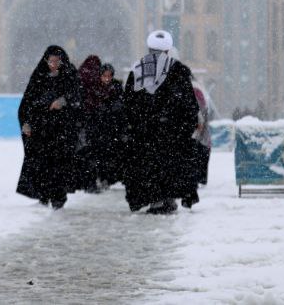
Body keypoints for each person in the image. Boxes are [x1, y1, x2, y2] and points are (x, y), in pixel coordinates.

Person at [122, 30, 200, 214]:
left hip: (146, 132)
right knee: (169, 166)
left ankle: (155, 199)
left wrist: (136, 124)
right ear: (168, 50)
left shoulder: (138, 70)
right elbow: (188, 103)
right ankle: (168, 198)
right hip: (171, 132)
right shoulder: (178, 70)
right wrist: (184, 125)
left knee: (148, 166)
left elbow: (129, 103)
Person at [15, 44, 82, 209]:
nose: (53, 65)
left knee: (59, 165)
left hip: (62, 131)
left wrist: (64, 101)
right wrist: (26, 122)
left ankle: (58, 198)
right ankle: (43, 196)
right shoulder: (39, 75)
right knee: (41, 164)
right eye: (50, 61)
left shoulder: (69, 74)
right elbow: (28, 101)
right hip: (41, 129)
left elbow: (78, 96)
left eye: (57, 61)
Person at [76, 55, 125, 191]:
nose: (107, 79)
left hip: (111, 129)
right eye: (104, 76)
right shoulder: (93, 88)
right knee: (94, 156)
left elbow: (121, 105)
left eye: (109, 76)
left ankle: (105, 179)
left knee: (108, 156)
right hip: (96, 129)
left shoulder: (116, 87)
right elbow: (88, 106)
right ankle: (93, 181)